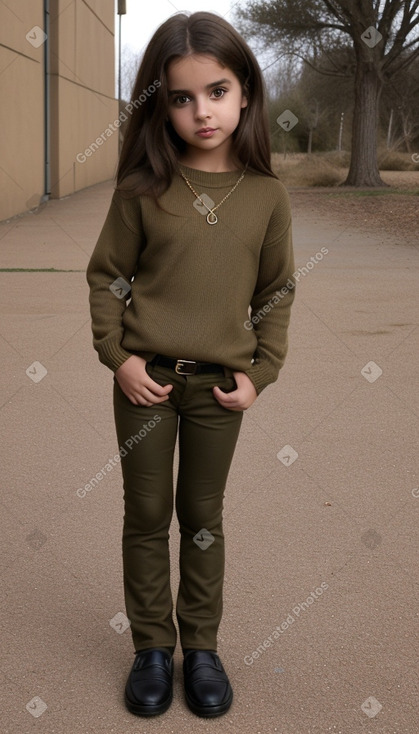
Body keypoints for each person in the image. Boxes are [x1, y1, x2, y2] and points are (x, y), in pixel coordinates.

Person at [86, 10, 295, 719]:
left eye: (216, 91)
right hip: (145, 384)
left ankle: (200, 649)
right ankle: (152, 649)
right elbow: (105, 277)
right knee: (145, 515)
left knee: (201, 516)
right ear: (161, 104)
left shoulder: (267, 197)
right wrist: (116, 358)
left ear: (244, 95)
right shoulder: (143, 187)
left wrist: (260, 372)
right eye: (179, 97)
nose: (200, 111)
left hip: (216, 390)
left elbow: (275, 291)